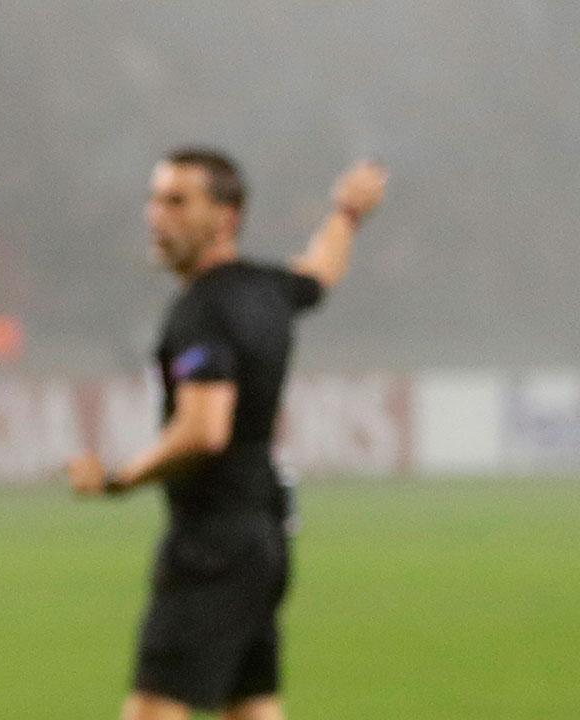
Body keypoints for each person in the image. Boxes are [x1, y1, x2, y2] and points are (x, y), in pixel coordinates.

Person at [68, 147, 387, 720]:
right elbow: (321, 271)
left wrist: (118, 479)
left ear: (225, 217)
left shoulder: (203, 311)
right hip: (263, 536)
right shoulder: (267, 288)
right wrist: (347, 213)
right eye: (154, 199)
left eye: (177, 201)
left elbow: (203, 431)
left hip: (212, 545)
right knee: (251, 706)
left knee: (154, 708)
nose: (156, 215)